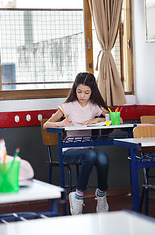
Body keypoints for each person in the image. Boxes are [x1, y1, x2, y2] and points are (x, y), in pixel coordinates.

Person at [43, 72, 110, 215]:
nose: (82, 96)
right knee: (91, 154)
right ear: (75, 89)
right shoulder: (67, 106)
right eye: (79, 91)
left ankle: (101, 194)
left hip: (88, 150)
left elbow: (116, 119)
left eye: (86, 92)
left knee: (103, 158)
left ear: (92, 92)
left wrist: (96, 120)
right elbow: (46, 125)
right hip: (69, 150)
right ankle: (78, 196)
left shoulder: (94, 106)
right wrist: (61, 123)